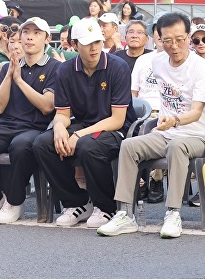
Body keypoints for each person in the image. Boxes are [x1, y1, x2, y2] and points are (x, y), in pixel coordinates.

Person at [97, 12, 205, 238]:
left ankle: (173, 213)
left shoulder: (201, 68)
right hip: (165, 131)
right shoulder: (157, 62)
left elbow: (197, 112)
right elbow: (165, 98)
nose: (174, 46)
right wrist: (164, 118)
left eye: (180, 39)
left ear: (188, 36)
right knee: (129, 146)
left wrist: (175, 120)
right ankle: (125, 214)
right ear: (158, 39)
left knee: (177, 146)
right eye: (167, 40)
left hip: (196, 135)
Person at [33, 17, 137, 228]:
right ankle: (76, 202)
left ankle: (106, 207)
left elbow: (117, 120)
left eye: (97, 42)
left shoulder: (118, 67)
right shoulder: (65, 70)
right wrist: (60, 128)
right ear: (74, 45)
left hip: (115, 128)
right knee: (42, 144)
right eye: (87, 43)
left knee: (88, 147)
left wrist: (78, 135)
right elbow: (62, 113)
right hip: (83, 123)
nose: (94, 48)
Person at [0, 17, 60, 224]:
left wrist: (20, 80)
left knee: (20, 146)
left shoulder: (55, 68)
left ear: (47, 39)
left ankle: (15, 201)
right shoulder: (8, 67)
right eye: (26, 32)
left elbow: (47, 105)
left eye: (37, 33)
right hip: (5, 125)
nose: (30, 37)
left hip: (36, 128)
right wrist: (11, 75)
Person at [131, 14, 165, 203]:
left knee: (156, 129)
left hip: (167, 113)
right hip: (144, 112)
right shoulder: (143, 60)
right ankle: (141, 181)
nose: (161, 34)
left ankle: (157, 179)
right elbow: (133, 93)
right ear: (153, 35)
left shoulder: (184, 60)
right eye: (157, 30)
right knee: (134, 130)